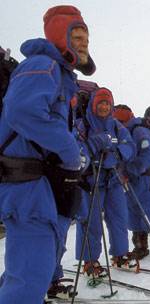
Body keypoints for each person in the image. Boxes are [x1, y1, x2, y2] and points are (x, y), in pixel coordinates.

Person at [0, 5, 95, 303]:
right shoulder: (43, 65)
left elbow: (55, 126)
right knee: (30, 277)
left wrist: (80, 155)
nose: (83, 44)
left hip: (39, 188)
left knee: (29, 270)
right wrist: (69, 152)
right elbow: (23, 111)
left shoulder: (61, 75)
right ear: (59, 35)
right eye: (76, 36)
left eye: (86, 39)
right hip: (28, 188)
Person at [74, 87, 139, 276]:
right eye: (100, 103)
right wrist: (93, 148)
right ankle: (90, 260)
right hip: (91, 180)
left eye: (107, 103)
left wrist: (119, 152)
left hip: (113, 179)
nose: (104, 107)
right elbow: (76, 148)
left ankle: (120, 254)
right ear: (93, 105)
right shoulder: (82, 124)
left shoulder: (116, 125)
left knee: (119, 218)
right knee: (90, 222)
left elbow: (130, 145)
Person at [113, 104, 150, 260]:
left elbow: (149, 155)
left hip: (146, 179)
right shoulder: (120, 132)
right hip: (129, 180)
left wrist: (131, 169)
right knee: (133, 214)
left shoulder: (139, 131)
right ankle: (140, 246)